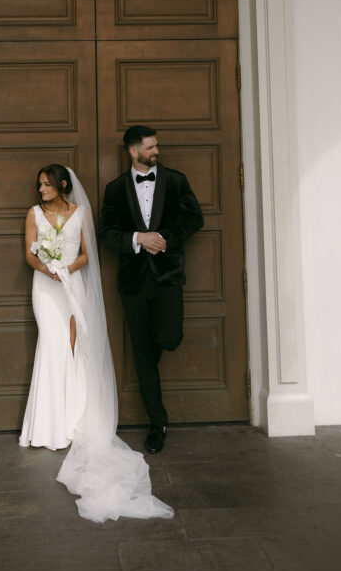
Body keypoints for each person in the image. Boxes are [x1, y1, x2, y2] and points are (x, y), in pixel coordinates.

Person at [19, 163, 173, 523]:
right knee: (51, 343)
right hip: (45, 288)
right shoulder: (34, 213)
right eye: (38, 184)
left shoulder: (81, 213)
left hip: (71, 283)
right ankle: (45, 425)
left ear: (61, 185)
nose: (40, 190)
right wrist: (46, 268)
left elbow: (88, 254)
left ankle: (71, 416)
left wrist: (67, 268)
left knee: (72, 347)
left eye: (45, 185)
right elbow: (29, 252)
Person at [99, 126, 204, 455]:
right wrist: (136, 239)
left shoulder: (175, 180)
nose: (156, 150)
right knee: (143, 356)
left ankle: (153, 385)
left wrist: (165, 239)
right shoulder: (115, 189)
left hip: (168, 277)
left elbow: (194, 218)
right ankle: (157, 424)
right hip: (132, 283)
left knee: (169, 337)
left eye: (156, 145)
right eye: (150, 146)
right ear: (133, 152)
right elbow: (106, 233)